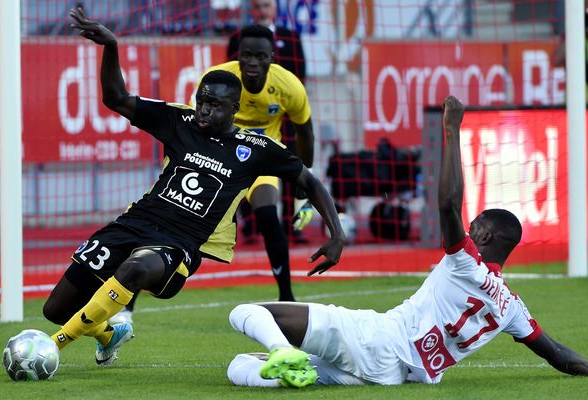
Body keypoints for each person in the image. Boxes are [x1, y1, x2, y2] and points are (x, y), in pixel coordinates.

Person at [42, 6, 345, 367]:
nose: (202, 111)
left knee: (135, 270)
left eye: (213, 106)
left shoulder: (256, 150)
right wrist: (112, 47)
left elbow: (309, 180)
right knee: (55, 308)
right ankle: (109, 333)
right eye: (201, 102)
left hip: (180, 243)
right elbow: (116, 98)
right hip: (134, 224)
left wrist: (336, 233)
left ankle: (50, 347)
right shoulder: (179, 120)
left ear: (235, 109)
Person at [225, 96, 588, 388]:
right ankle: (288, 362)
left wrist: (452, 130)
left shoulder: (467, 262)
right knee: (240, 368)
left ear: (485, 236)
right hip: (394, 376)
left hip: (374, 338)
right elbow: (559, 355)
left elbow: (447, 204)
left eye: (474, 225)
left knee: (245, 312)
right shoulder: (512, 307)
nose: (468, 229)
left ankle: (279, 349)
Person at [110, 24, 313, 324]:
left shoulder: (290, 86)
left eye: (260, 56)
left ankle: (286, 296)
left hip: (257, 161)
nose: (252, 62)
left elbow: (305, 131)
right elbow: (193, 127)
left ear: (272, 58)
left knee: (268, 216)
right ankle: (127, 303)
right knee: (168, 217)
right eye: (246, 55)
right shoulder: (219, 81)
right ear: (238, 56)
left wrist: (303, 189)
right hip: (216, 160)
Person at [227, 0, 307, 247]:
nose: (262, 10)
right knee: (242, 165)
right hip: (250, 117)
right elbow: (231, 77)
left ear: (275, 9)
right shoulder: (238, 38)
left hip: (284, 115)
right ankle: (251, 225)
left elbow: (300, 74)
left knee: (291, 167)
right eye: (258, 5)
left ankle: (292, 225)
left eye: (266, 5)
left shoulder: (291, 37)